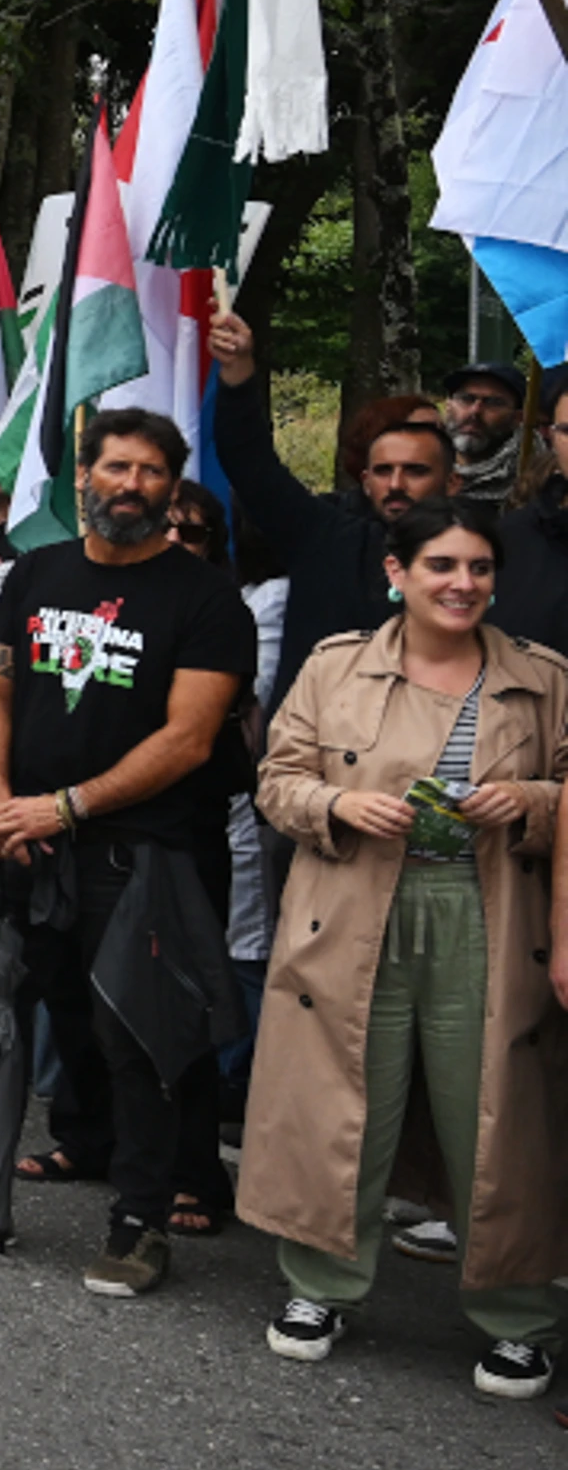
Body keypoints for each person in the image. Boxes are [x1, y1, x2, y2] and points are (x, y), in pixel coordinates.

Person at [0, 409, 253, 1292]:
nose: (132, 485)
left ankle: (140, 1224)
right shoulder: (38, 572)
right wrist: (3, 800)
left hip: (139, 855)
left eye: (151, 472)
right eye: (116, 467)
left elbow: (189, 738)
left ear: (171, 487)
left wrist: (66, 809)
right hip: (22, 842)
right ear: (84, 477)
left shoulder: (206, 599)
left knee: (137, 1039)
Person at [240, 503, 567, 1394]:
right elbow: (277, 780)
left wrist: (530, 802)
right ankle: (320, 1288)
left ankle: (520, 1317)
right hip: (351, 906)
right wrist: (339, 805)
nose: (463, 584)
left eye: (479, 568)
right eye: (442, 566)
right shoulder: (335, 665)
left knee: (498, 1115)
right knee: (344, 1102)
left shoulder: (544, 678)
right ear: (399, 573)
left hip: (492, 911)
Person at [211, 313, 456, 707]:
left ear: (452, 482)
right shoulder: (323, 537)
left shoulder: (482, 559)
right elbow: (250, 464)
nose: (396, 484)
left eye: (415, 471)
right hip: (315, 740)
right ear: (365, 481)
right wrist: (238, 371)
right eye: (383, 471)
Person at [444, 360, 527, 507]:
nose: (475, 411)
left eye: (493, 403)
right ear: (448, 406)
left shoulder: (534, 476)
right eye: (466, 399)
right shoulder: (422, 460)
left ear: (517, 418)